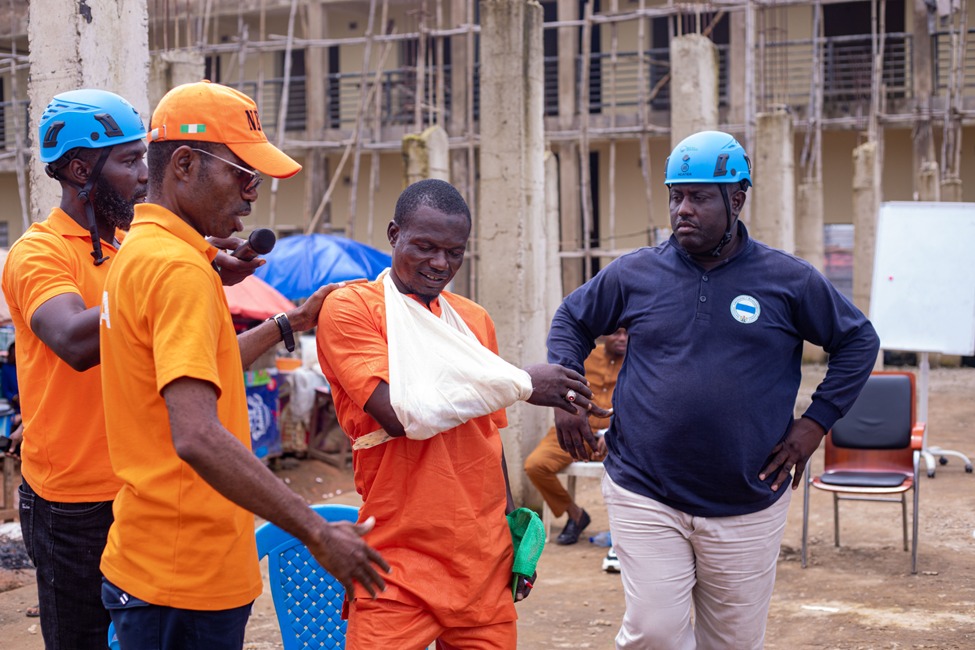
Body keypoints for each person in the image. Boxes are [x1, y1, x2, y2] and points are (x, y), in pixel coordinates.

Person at [547, 130, 880, 649]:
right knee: (654, 633)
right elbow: (570, 319)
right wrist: (568, 399)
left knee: (731, 642)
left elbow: (859, 340)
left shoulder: (787, 280)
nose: (683, 209)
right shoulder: (636, 273)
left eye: (699, 197)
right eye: (676, 196)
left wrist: (814, 425)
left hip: (747, 498)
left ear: (737, 198)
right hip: (644, 490)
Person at [97, 80, 389, 650]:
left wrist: (288, 325)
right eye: (243, 175)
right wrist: (316, 532)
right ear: (184, 163)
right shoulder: (178, 270)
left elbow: (198, 371)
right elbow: (198, 435)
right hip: (184, 574)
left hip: (159, 560)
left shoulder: (145, 251)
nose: (252, 195)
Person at [0, 88, 264, 650]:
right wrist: (176, 275)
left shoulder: (129, 251)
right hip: (70, 503)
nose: (145, 175)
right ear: (79, 169)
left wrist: (188, 268)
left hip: (133, 493)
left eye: (144, 157)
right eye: (127, 161)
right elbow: (72, 339)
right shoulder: (39, 252)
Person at [316, 178, 607, 649]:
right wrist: (523, 382)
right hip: (396, 562)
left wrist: (515, 536)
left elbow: (487, 439)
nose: (439, 264)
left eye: (454, 252)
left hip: (482, 561)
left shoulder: (473, 319)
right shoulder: (352, 310)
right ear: (393, 235)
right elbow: (401, 414)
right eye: (425, 247)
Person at [524, 328, 627, 546]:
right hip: (573, 429)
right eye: (616, 333)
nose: (621, 339)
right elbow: (565, 387)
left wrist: (613, 431)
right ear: (605, 334)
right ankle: (576, 515)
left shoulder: (639, 361)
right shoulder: (585, 356)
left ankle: (629, 533)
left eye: (627, 334)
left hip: (618, 438)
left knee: (640, 471)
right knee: (535, 465)